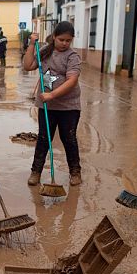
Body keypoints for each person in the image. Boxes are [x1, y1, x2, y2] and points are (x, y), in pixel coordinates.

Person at [22, 21, 83, 187]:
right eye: (61, 39)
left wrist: (52, 95)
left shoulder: (72, 57)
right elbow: (28, 66)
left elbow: (72, 81)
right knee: (43, 138)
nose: (64, 43)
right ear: (54, 37)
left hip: (68, 107)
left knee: (68, 138)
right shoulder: (45, 51)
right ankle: (36, 172)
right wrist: (32, 44)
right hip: (47, 107)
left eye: (68, 41)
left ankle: (75, 172)